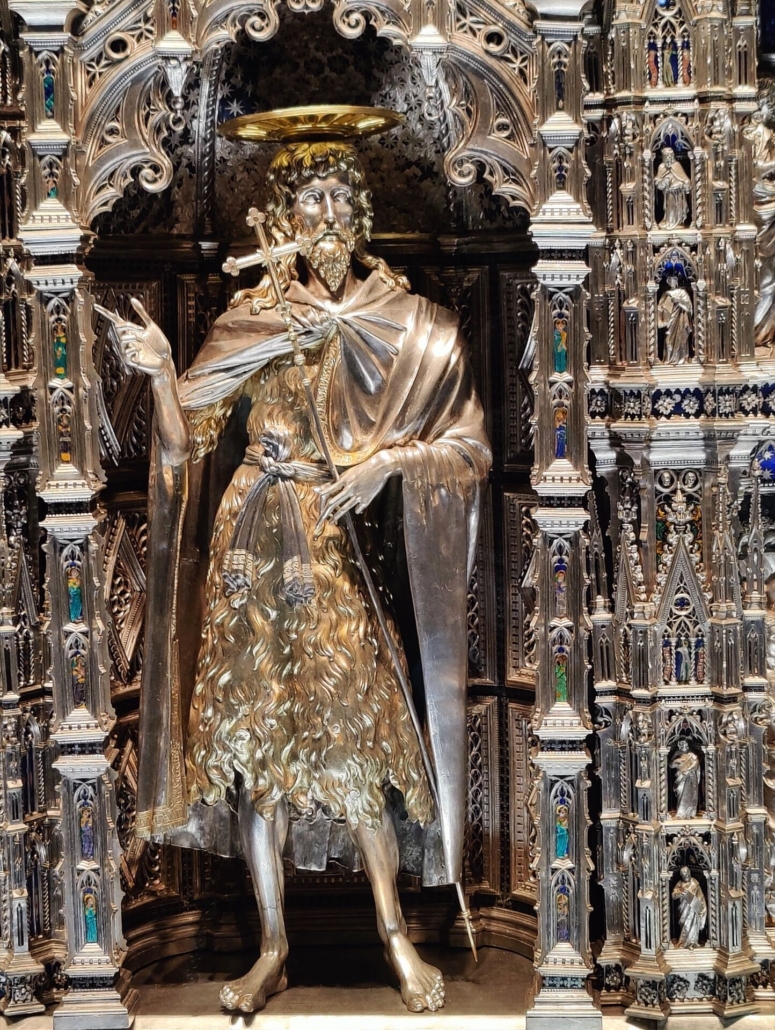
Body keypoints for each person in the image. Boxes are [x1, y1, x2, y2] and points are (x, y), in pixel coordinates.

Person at [97, 131, 490, 1015]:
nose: (327, 217)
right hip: (250, 545)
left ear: (362, 214)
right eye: (309, 201)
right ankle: (270, 945)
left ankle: (395, 936)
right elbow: (182, 444)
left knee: (357, 739)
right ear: (280, 221)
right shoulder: (254, 316)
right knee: (255, 748)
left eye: (340, 199)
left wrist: (387, 462)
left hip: (334, 539)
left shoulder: (411, 323)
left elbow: (467, 448)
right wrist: (160, 376)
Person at [658, 276, 693, 363]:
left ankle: (681, 359)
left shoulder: (682, 292)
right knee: (668, 341)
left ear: (676, 282)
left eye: (673, 281)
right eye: (669, 281)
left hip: (681, 318)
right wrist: (661, 319)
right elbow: (660, 307)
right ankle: (668, 359)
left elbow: (689, 307)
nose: (671, 283)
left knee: (681, 339)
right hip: (669, 320)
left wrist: (679, 301)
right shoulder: (666, 293)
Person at [654, 148, 691, 229]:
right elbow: (657, 182)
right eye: (666, 156)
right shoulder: (661, 167)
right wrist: (664, 181)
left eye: (670, 156)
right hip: (668, 192)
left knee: (678, 208)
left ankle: (679, 222)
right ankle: (669, 222)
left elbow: (685, 179)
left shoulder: (677, 165)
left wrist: (684, 184)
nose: (668, 158)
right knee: (669, 207)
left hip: (679, 192)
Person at [672, 866, 706, 948]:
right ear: (681, 875)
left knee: (693, 925)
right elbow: (673, 895)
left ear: (689, 873)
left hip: (693, 908)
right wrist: (680, 893)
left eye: (687, 874)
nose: (685, 876)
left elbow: (700, 897)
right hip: (683, 909)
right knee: (685, 925)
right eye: (683, 875)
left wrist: (700, 906)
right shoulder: (679, 884)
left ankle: (693, 942)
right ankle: (683, 942)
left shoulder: (695, 883)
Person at [671, 739, 701, 819]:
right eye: (681, 743)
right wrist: (678, 760)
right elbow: (671, 765)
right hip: (681, 776)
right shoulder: (677, 753)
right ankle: (680, 813)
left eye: (684, 743)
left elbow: (696, 763)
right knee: (680, 791)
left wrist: (689, 768)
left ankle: (691, 813)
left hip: (691, 776)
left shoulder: (691, 753)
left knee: (692, 793)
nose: (683, 744)